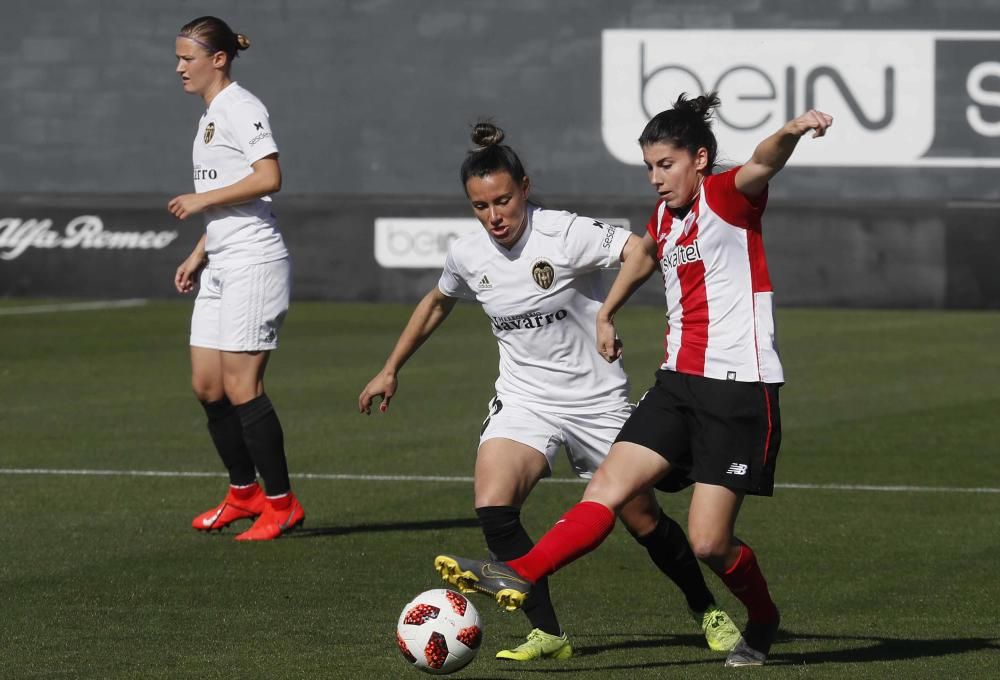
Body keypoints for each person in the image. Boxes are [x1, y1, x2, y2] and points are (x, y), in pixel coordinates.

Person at [434, 95, 834, 668]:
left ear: (700, 159)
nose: (655, 178)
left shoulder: (728, 196)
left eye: (665, 165)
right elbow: (641, 258)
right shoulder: (665, 219)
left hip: (738, 390)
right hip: (676, 384)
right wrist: (606, 311)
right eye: (648, 166)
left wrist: (792, 130)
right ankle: (520, 573)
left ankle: (763, 618)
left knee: (708, 542)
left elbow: (764, 161)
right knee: (608, 489)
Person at [360, 121, 740, 662]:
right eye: (480, 206)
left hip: (597, 402)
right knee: (493, 505)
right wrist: (391, 367)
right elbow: (437, 301)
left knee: (643, 519)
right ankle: (548, 632)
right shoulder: (469, 254)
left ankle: (707, 609)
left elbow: (642, 250)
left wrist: (607, 312)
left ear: (525, 188)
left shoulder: (564, 233)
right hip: (524, 400)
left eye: (504, 200)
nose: (494, 216)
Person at [170, 16, 304, 541]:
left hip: (254, 261)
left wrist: (202, 200)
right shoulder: (210, 114)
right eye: (179, 57)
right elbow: (235, 196)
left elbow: (269, 177)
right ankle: (244, 494)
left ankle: (282, 503)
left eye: (188, 58)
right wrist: (200, 251)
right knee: (207, 386)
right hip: (223, 258)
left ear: (218, 59)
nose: (179, 67)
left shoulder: (240, 106)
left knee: (242, 386)